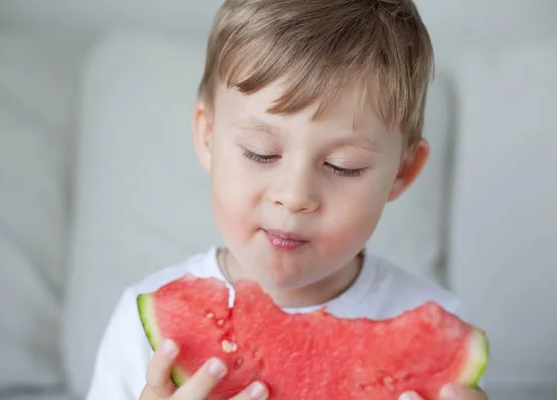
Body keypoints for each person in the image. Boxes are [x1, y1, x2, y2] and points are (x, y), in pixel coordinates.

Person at [86, 1, 488, 399]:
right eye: (261, 153)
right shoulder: (140, 329)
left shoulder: (440, 323)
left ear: (402, 172)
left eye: (342, 165)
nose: (294, 197)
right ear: (207, 137)